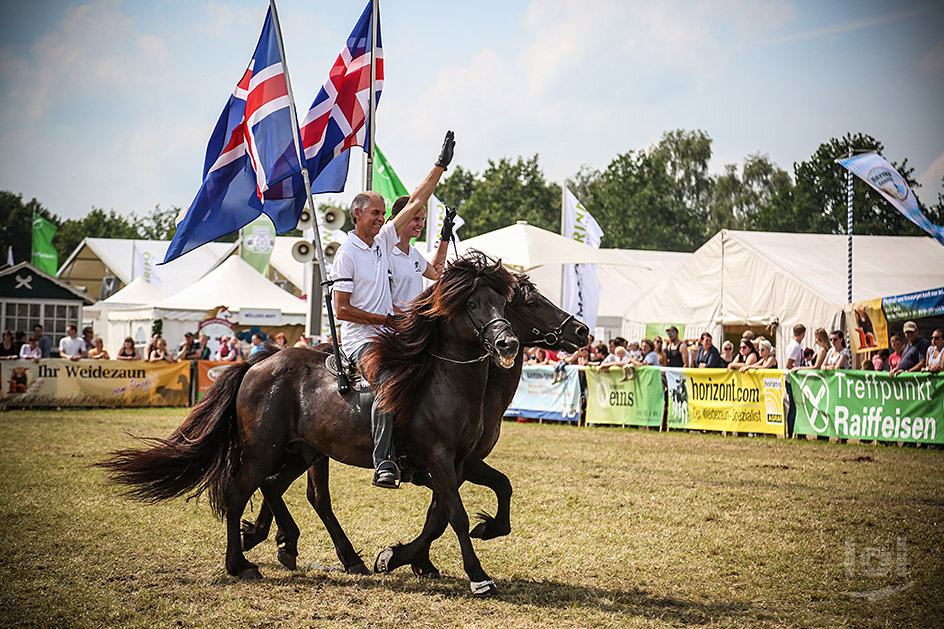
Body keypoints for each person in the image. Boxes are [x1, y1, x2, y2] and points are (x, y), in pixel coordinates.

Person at [330, 131, 454, 489]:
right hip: (361, 339)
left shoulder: (383, 239)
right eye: (374, 213)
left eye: (383, 214)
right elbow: (342, 310)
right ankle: (384, 462)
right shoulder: (347, 253)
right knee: (387, 384)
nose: (381, 218)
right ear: (356, 215)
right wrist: (384, 319)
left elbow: (416, 202)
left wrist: (440, 166)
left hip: (389, 331)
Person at [388, 195, 450, 312]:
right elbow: (382, 302)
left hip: (412, 327)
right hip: (393, 328)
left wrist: (445, 237)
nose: (421, 225)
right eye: (416, 219)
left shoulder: (413, 253)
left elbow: (436, 273)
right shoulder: (386, 255)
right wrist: (408, 323)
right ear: (401, 218)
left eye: (423, 219)